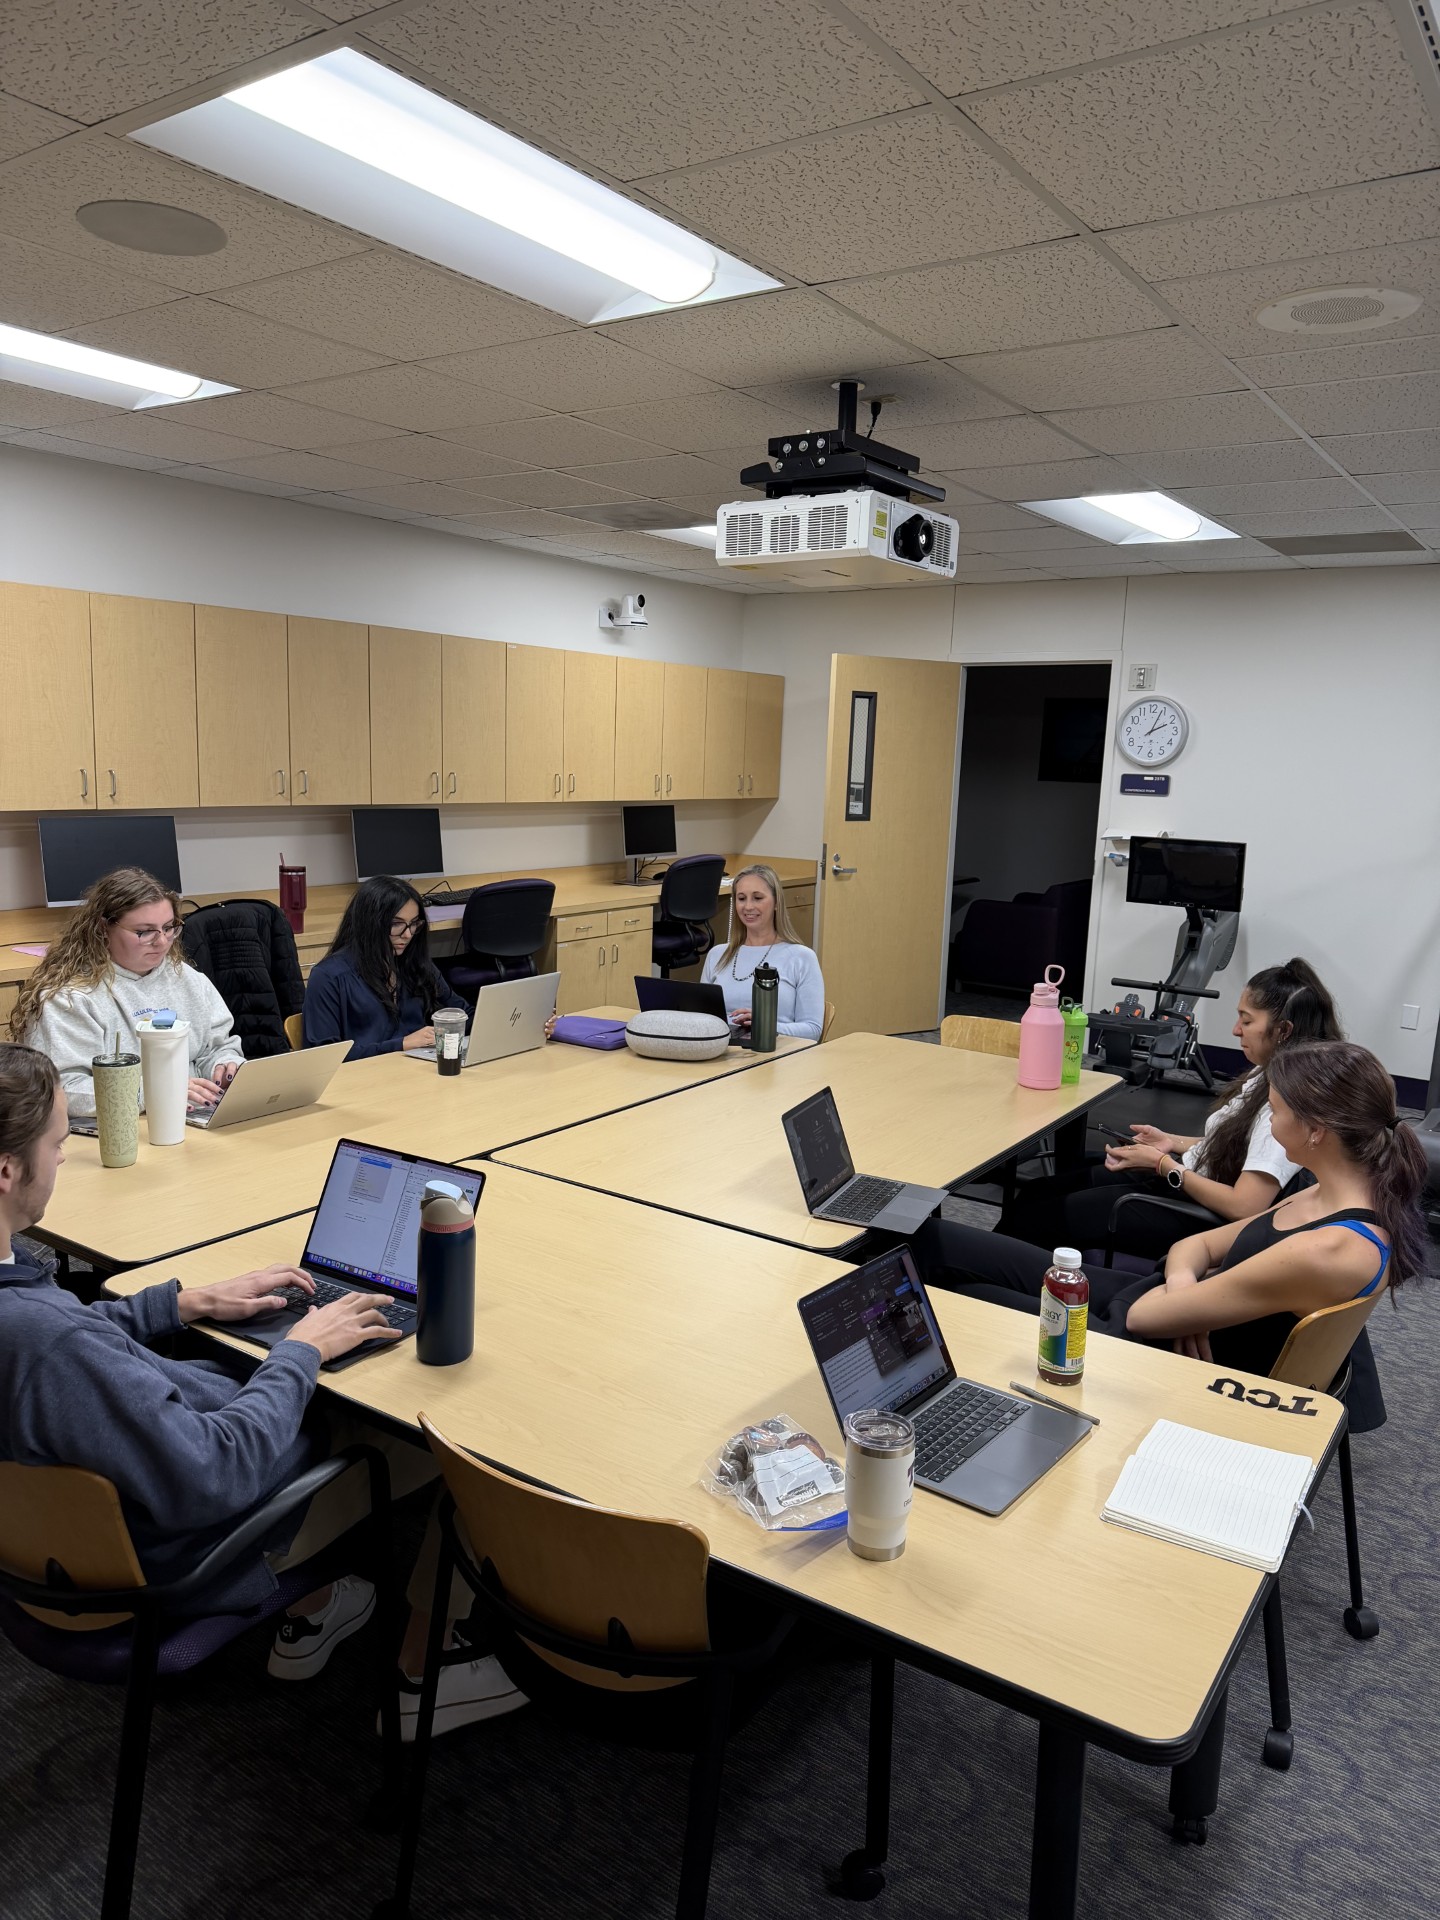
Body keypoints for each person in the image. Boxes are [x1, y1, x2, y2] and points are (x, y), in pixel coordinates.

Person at [0, 1044, 523, 1738]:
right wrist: (302, 1351)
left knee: (285, 1374)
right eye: (60, 1144)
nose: (66, 1158)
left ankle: (316, 1613)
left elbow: (68, 1335)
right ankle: (425, 1668)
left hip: (58, 1543)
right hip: (191, 1553)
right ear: (8, 1170)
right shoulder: (50, 1344)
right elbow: (217, 1473)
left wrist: (187, 1303)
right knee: (441, 1438)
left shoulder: (27, 1313)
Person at [915, 1041, 1426, 1429]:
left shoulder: (1331, 1248)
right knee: (937, 1243)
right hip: (1160, 1304)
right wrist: (1190, 1293)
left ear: (1317, 1129)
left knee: (961, 1297)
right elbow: (1194, 1247)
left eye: (1277, 1111)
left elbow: (1144, 1317)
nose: (1268, 1124)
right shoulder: (1328, 1196)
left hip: (1148, 1348)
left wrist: (1186, 1297)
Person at [998, 958, 1343, 1258]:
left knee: (1039, 1217)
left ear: (1283, 1030)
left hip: (1193, 1212)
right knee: (1037, 1191)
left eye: (1247, 1021)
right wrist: (1172, 1142)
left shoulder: (1283, 1106)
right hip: (1184, 1181)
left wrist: (1163, 1166)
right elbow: (1237, 1147)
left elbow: (1245, 1207)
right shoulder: (1269, 1072)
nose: (1236, 1030)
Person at [10, 866, 245, 1114]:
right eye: (144, 932)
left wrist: (225, 1066)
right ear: (102, 928)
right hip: (121, 1127)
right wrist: (155, 1093)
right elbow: (63, 1089)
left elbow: (218, 1047)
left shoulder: (188, 979)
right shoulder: (69, 998)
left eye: (168, 927)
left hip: (193, 1116)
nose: (162, 941)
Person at [303, 875, 469, 1060]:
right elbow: (323, 1058)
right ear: (370, 923)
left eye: (414, 923)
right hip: (364, 1079)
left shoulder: (415, 964)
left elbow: (461, 1012)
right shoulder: (329, 976)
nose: (408, 934)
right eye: (396, 924)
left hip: (416, 1071)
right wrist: (401, 1044)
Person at [701, 864, 824, 1041]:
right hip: (722, 1052)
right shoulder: (717, 955)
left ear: (776, 903)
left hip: (777, 1055)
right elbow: (702, 1018)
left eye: (758, 898)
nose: (748, 906)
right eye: (741, 898)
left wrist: (766, 1023)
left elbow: (813, 1030)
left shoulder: (801, 957)